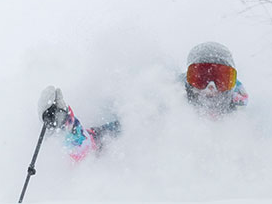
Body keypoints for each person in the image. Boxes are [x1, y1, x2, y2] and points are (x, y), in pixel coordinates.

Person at [37, 41, 249, 161]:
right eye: (200, 77)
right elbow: (92, 145)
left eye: (221, 79)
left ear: (233, 83)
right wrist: (65, 125)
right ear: (187, 81)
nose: (210, 89)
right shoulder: (160, 116)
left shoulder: (249, 124)